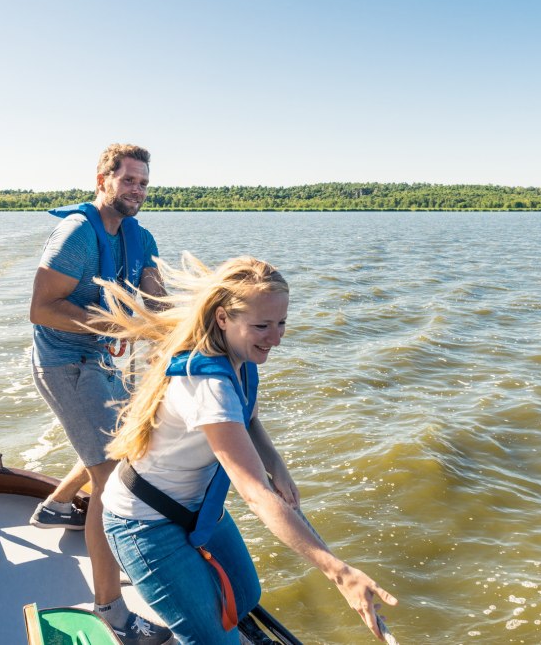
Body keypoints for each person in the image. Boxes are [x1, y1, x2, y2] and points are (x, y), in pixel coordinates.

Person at [92, 254, 399, 644]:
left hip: (195, 505)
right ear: (223, 318)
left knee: (247, 595)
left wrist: (278, 466)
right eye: (262, 326)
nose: (275, 337)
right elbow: (254, 494)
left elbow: (249, 419)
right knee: (217, 639)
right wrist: (339, 572)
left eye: (281, 322)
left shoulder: (242, 356)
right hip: (144, 522)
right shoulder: (209, 387)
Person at [28, 144, 171, 643]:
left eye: (143, 183)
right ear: (102, 180)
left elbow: (154, 293)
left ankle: (55, 506)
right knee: (110, 480)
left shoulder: (139, 234)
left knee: (124, 444)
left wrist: (198, 320)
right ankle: (110, 609)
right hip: (66, 363)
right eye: (128, 180)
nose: (137, 191)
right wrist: (113, 322)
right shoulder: (76, 234)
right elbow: (42, 308)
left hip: (108, 361)